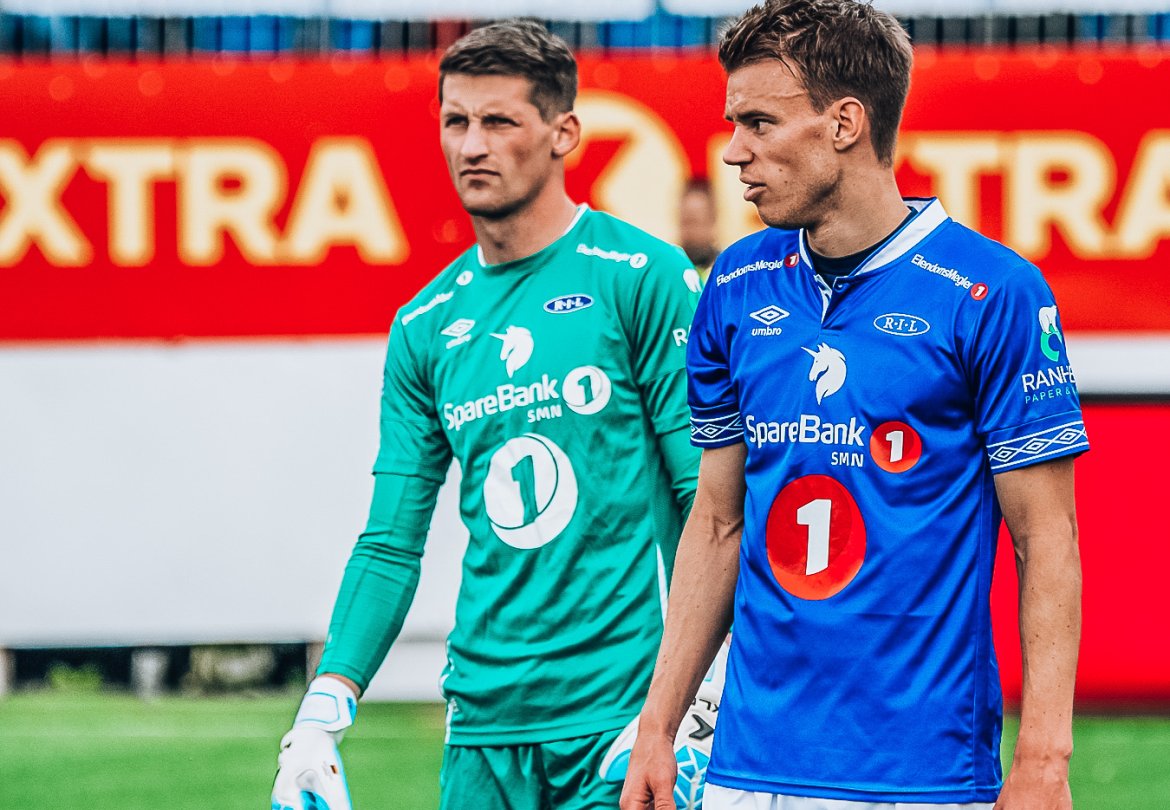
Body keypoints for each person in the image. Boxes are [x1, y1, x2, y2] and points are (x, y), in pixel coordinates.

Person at [620, 2, 1088, 809]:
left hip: (922, 777)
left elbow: (1045, 538)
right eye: (734, 124)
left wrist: (1045, 757)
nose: (734, 152)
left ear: (844, 123)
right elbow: (719, 521)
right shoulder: (734, 283)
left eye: (759, 123)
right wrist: (657, 727)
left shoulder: (992, 291)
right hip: (744, 770)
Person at [270, 20, 707, 810]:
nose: (472, 145)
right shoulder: (425, 324)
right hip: (480, 727)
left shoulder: (642, 276)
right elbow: (391, 540)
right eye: (456, 121)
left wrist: (701, 693)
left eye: (499, 121)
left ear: (563, 133)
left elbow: (705, 502)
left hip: (622, 720)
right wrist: (320, 715)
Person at [677, 178, 721, 284]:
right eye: (685, 221)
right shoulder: (671, 266)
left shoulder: (724, 268)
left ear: (712, 220)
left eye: (695, 221)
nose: (690, 230)